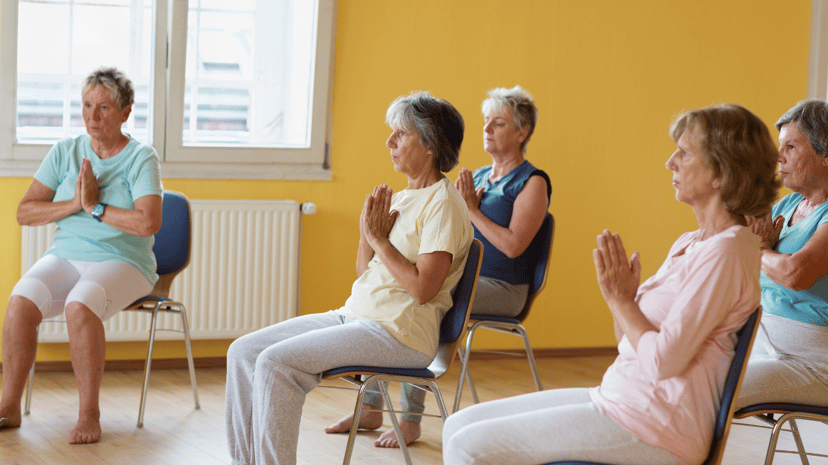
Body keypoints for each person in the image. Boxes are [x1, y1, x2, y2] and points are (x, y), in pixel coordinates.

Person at [442, 103, 780, 465]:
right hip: (621, 398)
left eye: (683, 153)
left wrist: (622, 302)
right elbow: (627, 342)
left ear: (722, 172)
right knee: (457, 426)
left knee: (469, 446)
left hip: (656, 426)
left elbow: (663, 362)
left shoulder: (728, 251)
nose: (670, 162)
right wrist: (624, 298)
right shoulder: (690, 242)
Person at [224, 91, 472, 465]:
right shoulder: (404, 198)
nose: (390, 142)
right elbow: (368, 274)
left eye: (401, 134)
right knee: (243, 351)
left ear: (430, 145)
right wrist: (366, 237)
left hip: (400, 333)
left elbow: (422, 289)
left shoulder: (444, 205)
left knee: (277, 363)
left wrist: (378, 240)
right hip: (358, 316)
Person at [325, 85, 550, 448]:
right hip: (459, 276)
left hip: (502, 287)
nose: (487, 130)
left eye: (499, 124)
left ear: (522, 132)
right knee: (394, 295)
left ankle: (410, 420)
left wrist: (473, 210)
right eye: (485, 123)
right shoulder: (474, 178)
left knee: (419, 300)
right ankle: (371, 406)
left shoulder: (532, 182)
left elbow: (513, 246)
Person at [0, 67, 163, 444]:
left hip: (124, 261)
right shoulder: (66, 151)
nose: (92, 116)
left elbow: (147, 223)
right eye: (87, 105)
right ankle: (8, 406)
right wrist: (74, 202)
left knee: (79, 305)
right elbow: (25, 212)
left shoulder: (142, 158)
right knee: (20, 302)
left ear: (125, 113)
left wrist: (95, 207)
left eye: (104, 107)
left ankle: (89, 414)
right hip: (67, 256)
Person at [736, 100, 828, 410]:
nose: (779, 156)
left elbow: (794, 274)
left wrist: (761, 250)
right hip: (762, 345)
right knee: (684, 379)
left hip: (813, 362)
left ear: (825, 154)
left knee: (707, 395)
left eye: (791, 146)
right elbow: (736, 253)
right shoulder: (787, 206)